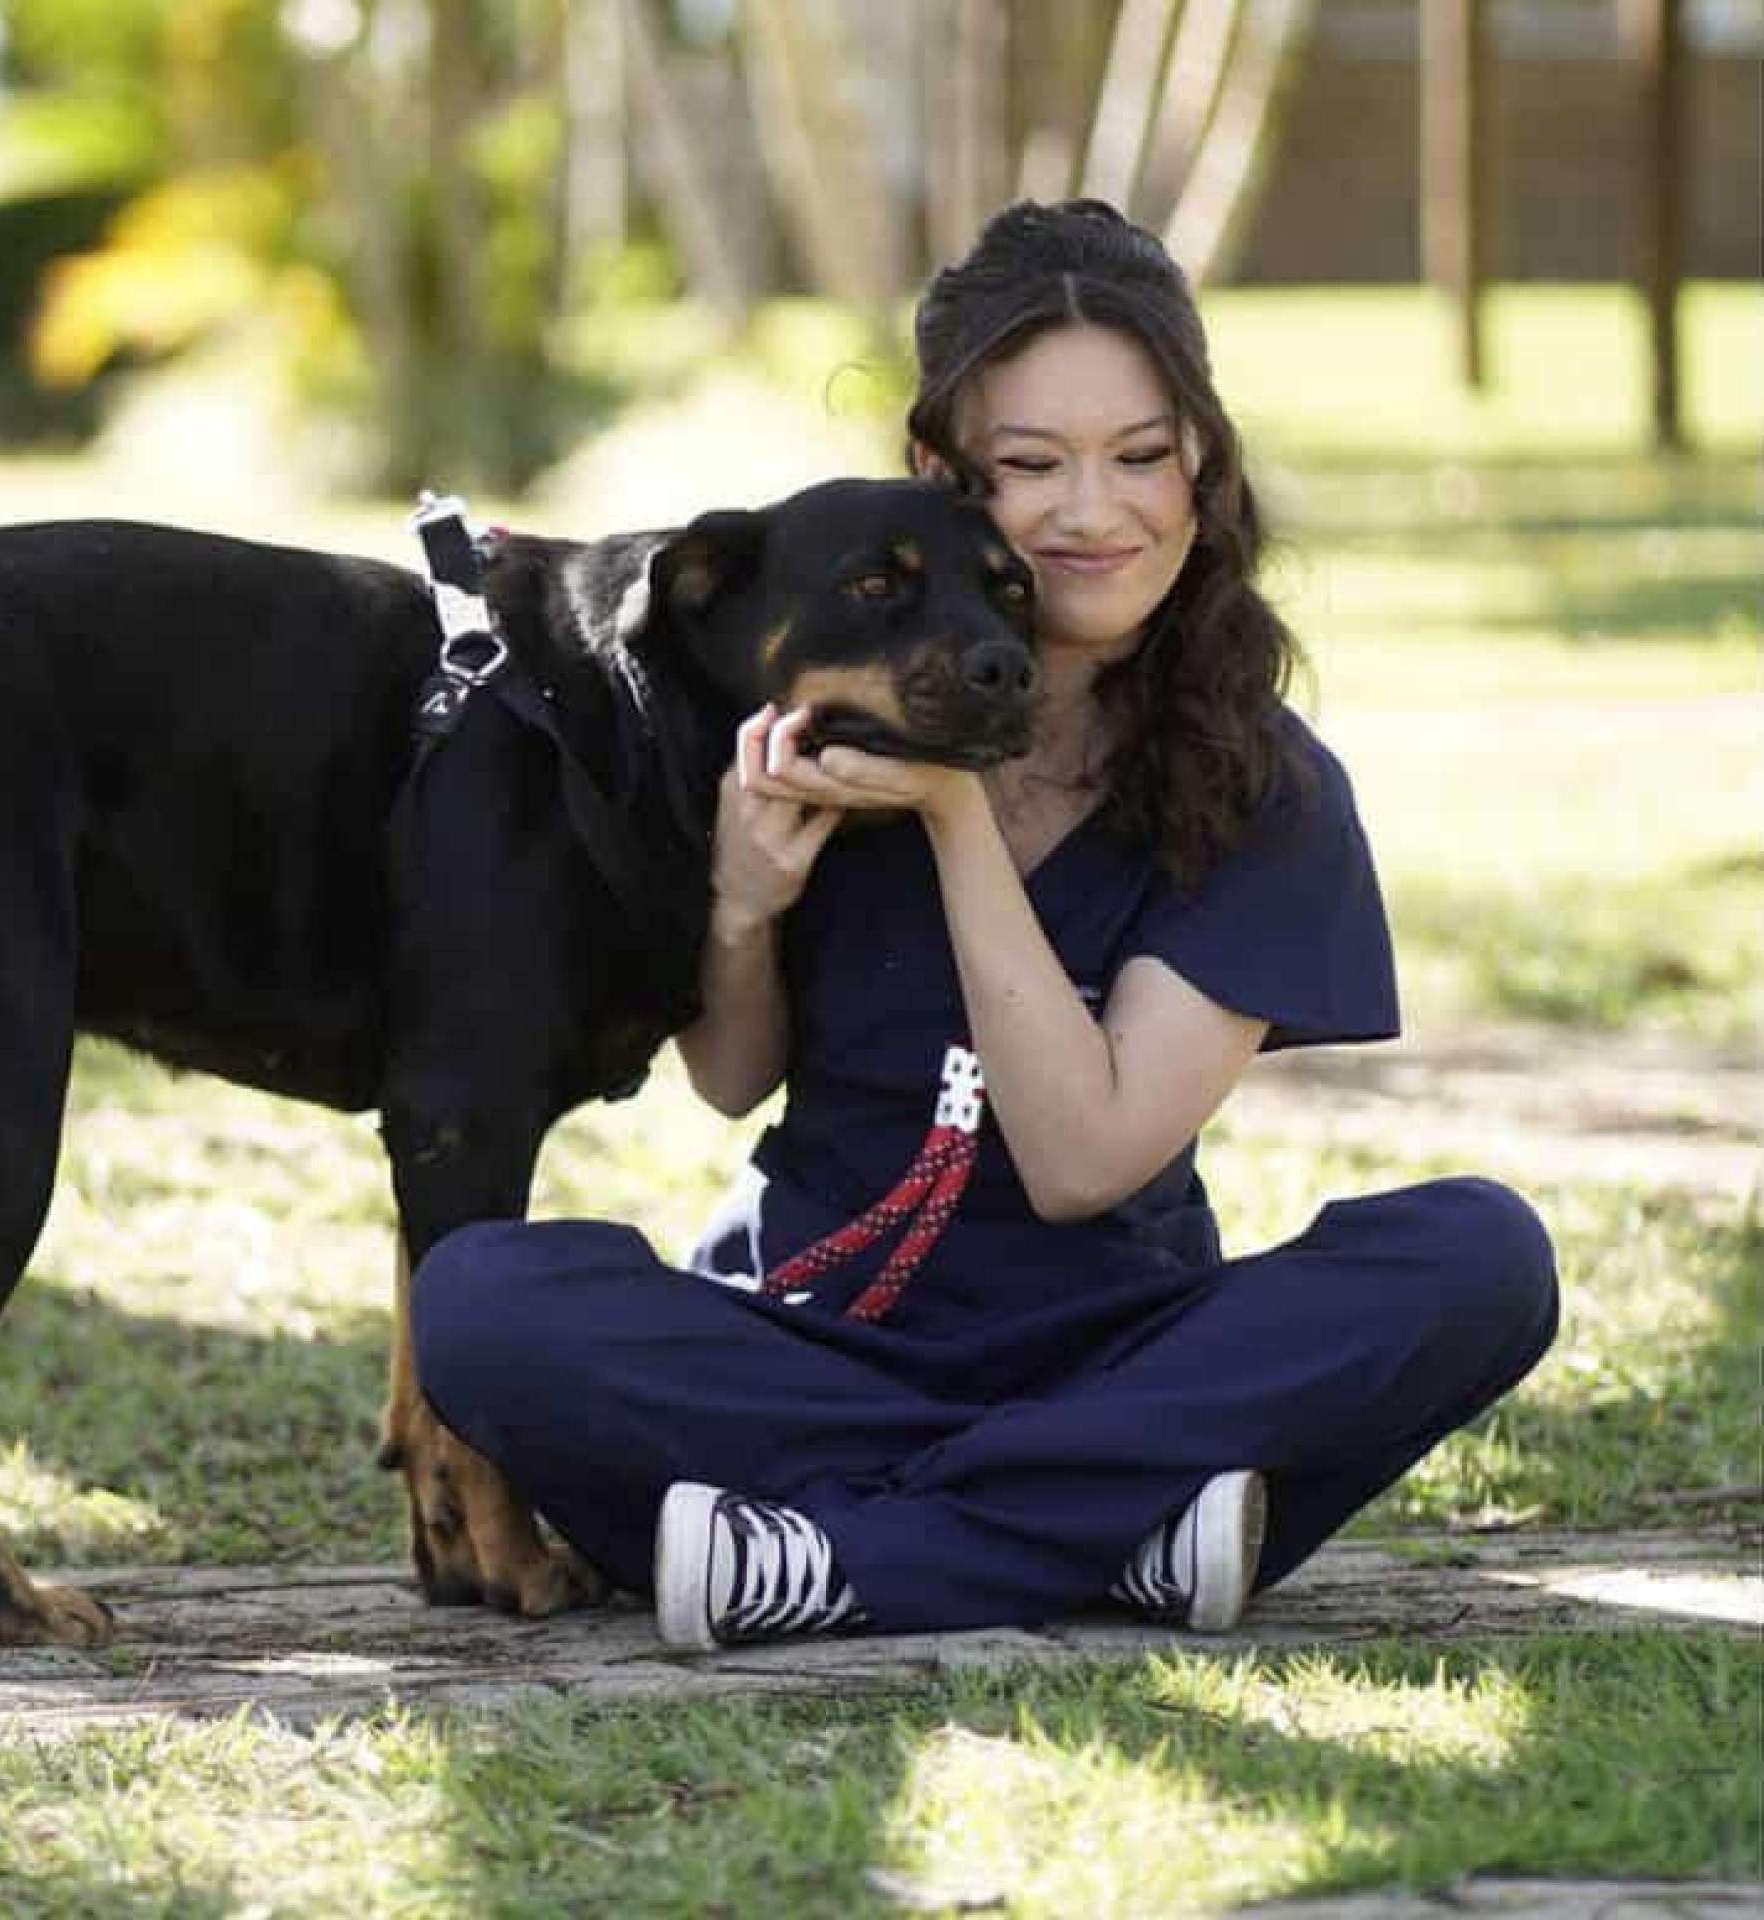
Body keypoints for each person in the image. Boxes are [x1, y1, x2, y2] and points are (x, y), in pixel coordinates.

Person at [408, 200, 1559, 1649]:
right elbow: (728, 1077)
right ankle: (1118, 1535)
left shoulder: (1258, 788)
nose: (1093, 513)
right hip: (812, 1339)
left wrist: (956, 821)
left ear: (1200, 463)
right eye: (1030, 467)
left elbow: (1082, 1162)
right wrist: (745, 907)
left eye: (1142, 456)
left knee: (1479, 1256)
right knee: (485, 1298)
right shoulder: (818, 701)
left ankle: (829, 1556)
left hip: (1128, 1351)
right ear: (939, 476)